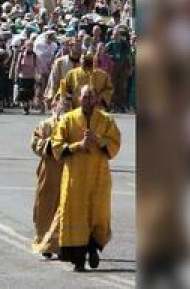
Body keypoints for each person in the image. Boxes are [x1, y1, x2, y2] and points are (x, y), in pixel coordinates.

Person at [51, 85, 121, 272]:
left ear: (96, 99)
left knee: (98, 215)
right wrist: (77, 146)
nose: (88, 99)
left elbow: (115, 144)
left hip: (98, 177)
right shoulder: (68, 119)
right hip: (75, 178)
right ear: (79, 98)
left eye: (91, 96)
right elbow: (57, 146)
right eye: (85, 96)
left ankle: (93, 249)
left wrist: (99, 140)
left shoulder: (106, 120)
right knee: (76, 214)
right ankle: (78, 259)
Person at [30, 99, 68, 258]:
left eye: (68, 106)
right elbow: (35, 142)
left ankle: (61, 244)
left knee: (64, 208)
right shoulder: (45, 125)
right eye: (62, 105)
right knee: (44, 207)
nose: (65, 108)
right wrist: (50, 146)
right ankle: (45, 242)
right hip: (49, 171)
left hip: (67, 171)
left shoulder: (74, 124)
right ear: (54, 107)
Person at [44, 39, 81, 106]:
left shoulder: (83, 63)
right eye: (77, 46)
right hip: (63, 98)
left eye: (80, 46)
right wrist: (51, 95)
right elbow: (53, 80)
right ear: (70, 47)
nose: (79, 48)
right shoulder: (60, 62)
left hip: (79, 99)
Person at [105, 26, 132, 112]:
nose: (116, 36)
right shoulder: (109, 45)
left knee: (122, 86)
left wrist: (129, 67)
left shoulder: (124, 44)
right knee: (113, 86)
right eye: (115, 34)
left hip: (122, 68)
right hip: (113, 68)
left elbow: (128, 56)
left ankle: (122, 105)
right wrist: (112, 57)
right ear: (112, 36)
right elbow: (105, 56)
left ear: (120, 35)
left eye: (118, 34)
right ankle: (113, 105)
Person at [14, 41, 38, 115]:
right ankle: (25, 108)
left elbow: (36, 65)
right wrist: (16, 75)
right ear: (25, 46)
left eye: (31, 45)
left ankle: (28, 106)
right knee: (23, 92)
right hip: (23, 76)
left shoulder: (34, 55)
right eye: (28, 45)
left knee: (30, 92)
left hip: (31, 76)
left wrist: (37, 75)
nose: (30, 47)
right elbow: (18, 65)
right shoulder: (21, 55)